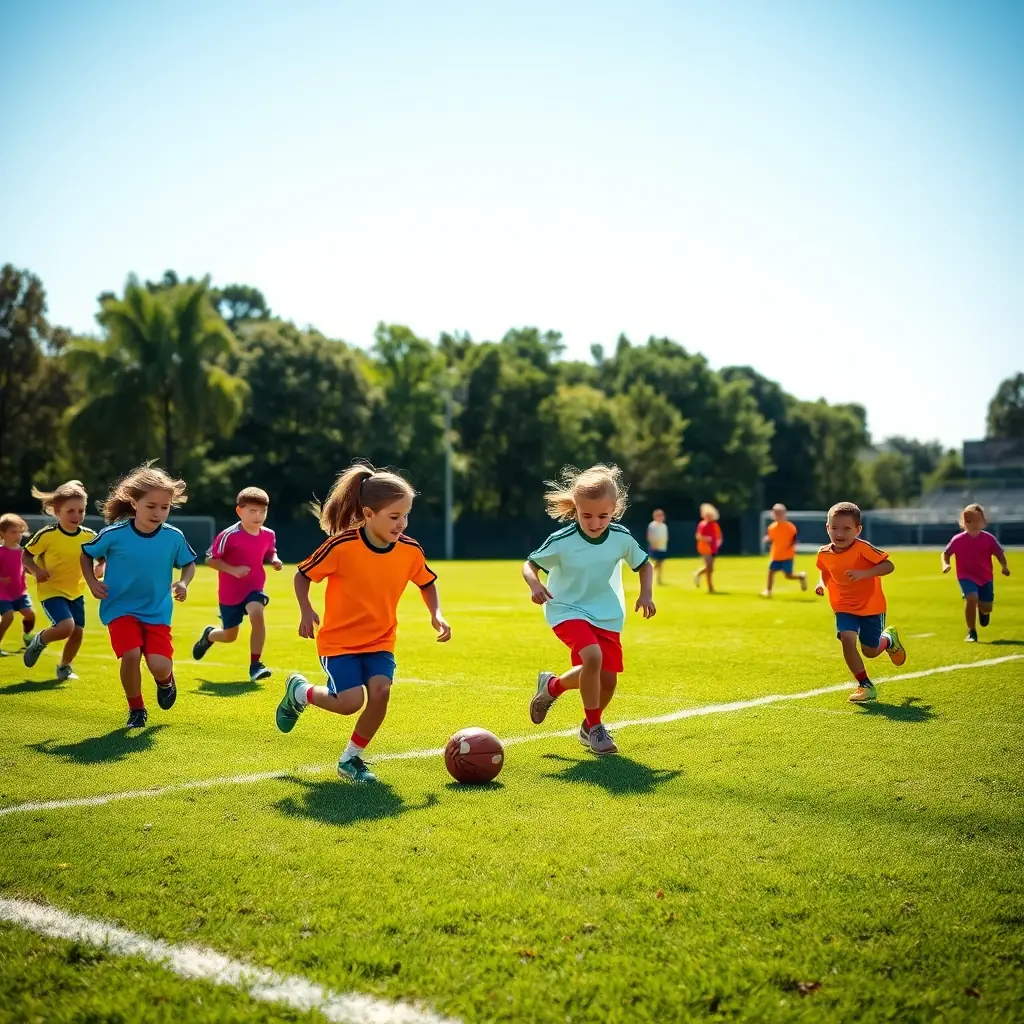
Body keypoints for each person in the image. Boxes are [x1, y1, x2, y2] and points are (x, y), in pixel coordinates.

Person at [274, 464, 451, 784]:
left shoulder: (410, 550)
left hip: (381, 639)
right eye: (394, 516)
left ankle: (350, 759)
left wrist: (436, 613)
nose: (402, 523)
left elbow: (426, 582)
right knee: (349, 703)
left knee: (381, 691)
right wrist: (305, 609)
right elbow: (302, 575)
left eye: (406, 515)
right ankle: (300, 692)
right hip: (339, 642)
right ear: (368, 514)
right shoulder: (342, 546)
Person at [524, 464, 656, 757]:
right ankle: (596, 728)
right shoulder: (563, 540)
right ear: (576, 508)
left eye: (603, 516)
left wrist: (646, 594)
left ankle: (555, 688)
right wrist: (535, 585)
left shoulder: (621, 537)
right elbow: (529, 564)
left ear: (615, 509)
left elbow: (645, 564)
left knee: (607, 679)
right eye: (587, 515)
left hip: (606, 614)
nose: (595, 523)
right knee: (592, 657)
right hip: (565, 609)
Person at [80, 464, 197, 728]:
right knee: (131, 654)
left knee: (159, 665)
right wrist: (91, 582)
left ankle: (165, 681)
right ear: (134, 502)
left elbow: (188, 563)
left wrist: (184, 583)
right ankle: (136, 709)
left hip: (157, 610)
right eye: (151, 506)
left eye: (164, 507)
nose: (158, 513)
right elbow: (86, 554)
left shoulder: (173, 537)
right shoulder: (114, 534)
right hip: (119, 607)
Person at [814, 501, 906, 703]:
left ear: (858, 530)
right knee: (847, 639)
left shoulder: (863, 548)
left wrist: (864, 573)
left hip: (871, 607)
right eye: (835, 528)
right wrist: (821, 583)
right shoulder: (823, 552)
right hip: (843, 606)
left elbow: (888, 565)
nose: (840, 533)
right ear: (827, 528)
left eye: (847, 528)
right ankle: (865, 684)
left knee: (870, 651)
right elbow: (825, 570)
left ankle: (888, 639)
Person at [193, 486, 282, 680]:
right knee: (229, 636)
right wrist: (233, 570)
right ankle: (209, 635)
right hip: (230, 593)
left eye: (262, 511)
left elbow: (270, 551)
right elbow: (210, 559)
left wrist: (274, 559)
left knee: (257, 614)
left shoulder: (268, 534)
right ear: (239, 511)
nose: (258, 515)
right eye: (252, 511)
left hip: (254, 587)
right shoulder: (228, 535)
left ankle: (255, 665)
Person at [22, 481, 97, 681]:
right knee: (66, 627)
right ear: (56, 511)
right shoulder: (47, 535)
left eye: (81, 510)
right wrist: (36, 570)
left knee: (77, 632)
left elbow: (103, 557)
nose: (76, 515)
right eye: (70, 510)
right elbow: (26, 556)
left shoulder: (90, 536)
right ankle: (40, 640)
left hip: (76, 591)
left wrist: (101, 568)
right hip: (52, 590)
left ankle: (65, 667)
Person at [941, 503, 1010, 642]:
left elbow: (999, 553)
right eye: (970, 521)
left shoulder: (989, 538)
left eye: (978, 520)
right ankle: (971, 632)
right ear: (965, 522)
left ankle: (983, 610)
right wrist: (945, 564)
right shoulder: (958, 540)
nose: (974, 524)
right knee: (971, 598)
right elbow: (946, 553)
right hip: (966, 576)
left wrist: (1004, 566)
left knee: (986, 608)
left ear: (983, 521)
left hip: (985, 577)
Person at [0, 513, 35, 654]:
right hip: (2, 592)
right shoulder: (1, 552)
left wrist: (38, 573)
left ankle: (27, 637)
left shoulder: (22, 552)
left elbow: (26, 568)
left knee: (30, 615)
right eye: (13, 532)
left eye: (20, 532)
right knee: (8, 616)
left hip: (19, 591)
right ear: (2, 533)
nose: (18, 536)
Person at [762, 503, 807, 597]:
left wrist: (791, 547)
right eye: (776, 513)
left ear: (784, 514)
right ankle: (768, 591)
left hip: (787, 556)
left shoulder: (790, 527)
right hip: (776, 555)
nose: (778, 515)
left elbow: (794, 539)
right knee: (770, 572)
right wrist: (767, 539)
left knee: (788, 575)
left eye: (780, 513)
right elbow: (772, 538)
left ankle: (801, 577)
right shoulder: (771, 527)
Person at [693, 503, 722, 593]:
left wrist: (718, 542)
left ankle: (698, 573)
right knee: (709, 566)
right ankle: (710, 587)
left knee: (710, 568)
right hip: (704, 547)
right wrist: (707, 539)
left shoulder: (715, 525)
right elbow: (698, 536)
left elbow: (719, 536)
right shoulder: (702, 525)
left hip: (713, 548)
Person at [646, 508, 669, 585]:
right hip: (655, 547)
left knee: (660, 563)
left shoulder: (664, 526)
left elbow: (666, 536)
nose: (661, 517)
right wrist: (653, 545)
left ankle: (659, 578)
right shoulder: (652, 525)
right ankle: (649, 576)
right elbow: (650, 536)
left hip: (662, 547)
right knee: (655, 563)